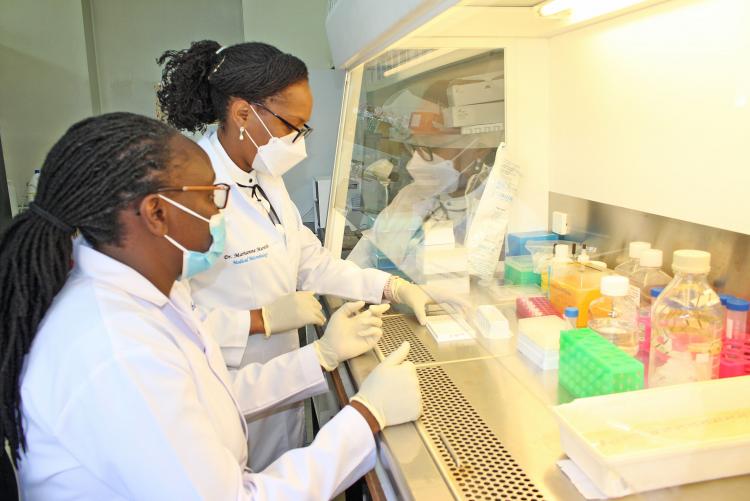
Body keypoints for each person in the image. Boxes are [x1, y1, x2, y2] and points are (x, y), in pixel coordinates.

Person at [0, 112, 421, 499]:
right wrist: (366, 416)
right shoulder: (117, 346)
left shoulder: (152, 294)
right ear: (156, 213)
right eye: (210, 196)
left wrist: (320, 357)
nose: (220, 210)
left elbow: (212, 396)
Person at [156, 40, 463, 469]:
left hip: (283, 379)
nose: (298, 141)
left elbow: (310, 261)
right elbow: (170, 321)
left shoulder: (263, 175)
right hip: (228, 390)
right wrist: (261, 319)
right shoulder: (189, 192)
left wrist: (391, 287)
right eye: (292, 126)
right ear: (243, 113)